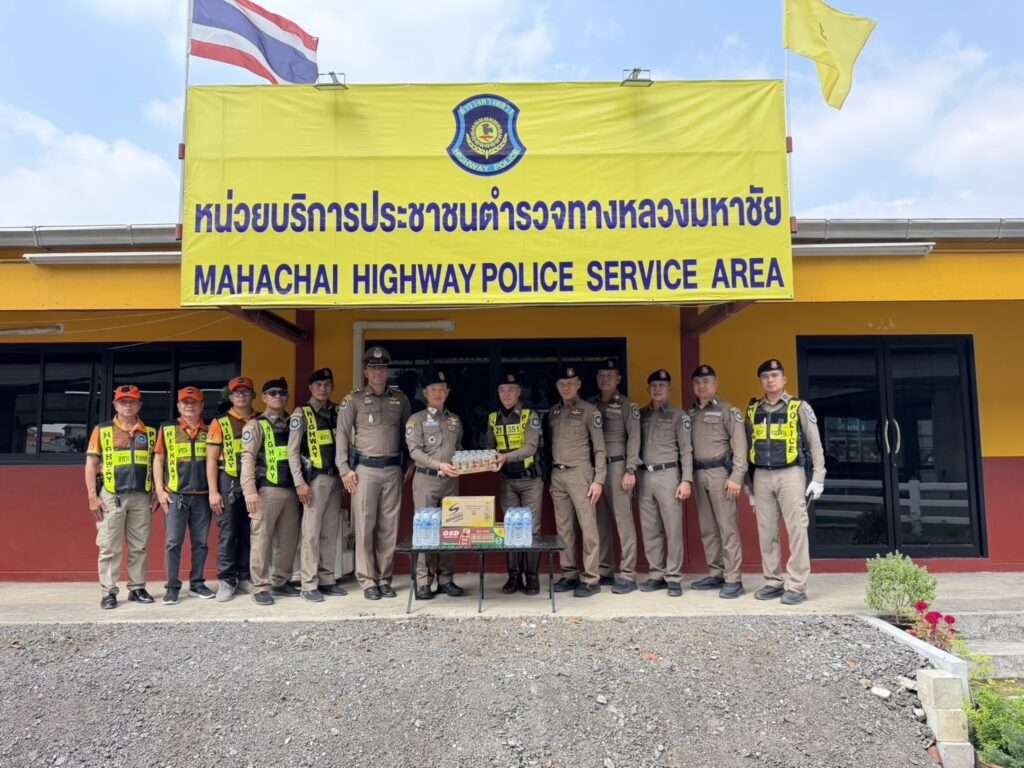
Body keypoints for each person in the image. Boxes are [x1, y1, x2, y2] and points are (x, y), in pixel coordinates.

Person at [745, 359, 826, 605]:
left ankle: (797, 585)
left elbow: (815, 443)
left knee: (797, 529)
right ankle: (773, 581)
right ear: (760, 381)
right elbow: (747, 446)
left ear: (784, 379)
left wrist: (818, 476)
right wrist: (749, 486)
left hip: (790, 473)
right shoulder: (753, 409)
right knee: (766, 531)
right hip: (761, 475)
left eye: (774, 375)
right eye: (765, 376)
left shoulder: (799, 407)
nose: (770, 380)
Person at [335, 347, 412, 601]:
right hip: (365, 470)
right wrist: (344, 469)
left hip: (392, 470)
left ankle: (384, 578)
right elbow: (342, 435)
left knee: (389, 528)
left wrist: (410, 462)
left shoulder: (400, 399)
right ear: (366, 372)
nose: (378, 372)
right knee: (365, 527)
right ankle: (368, 580)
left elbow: (409, 434)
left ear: (387, 371)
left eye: (382, 368)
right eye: (373, 368)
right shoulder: (353, 400)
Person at [84, 385, 157, 609]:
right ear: (115, 405)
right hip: (112, 495)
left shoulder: (150, 432)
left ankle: (137, 588)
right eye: (123, 401)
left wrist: (157, 490)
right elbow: (91, 464)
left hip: (142, 496)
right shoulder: (102, 430)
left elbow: (157, 464)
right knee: (109, 546)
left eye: (132, 401)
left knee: (139, 546)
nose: (128, 405)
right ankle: (108, 592)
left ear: (139, 404)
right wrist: (92, 497)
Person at [688, 364, 749, 599]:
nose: (701, 386)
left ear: (715, 384)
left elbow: (740, 444)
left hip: (721, 475)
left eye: (706, 381)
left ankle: (734, 578)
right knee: (708, 528)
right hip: (698, 474)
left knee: (727, 527)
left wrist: (737, 476)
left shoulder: (728, 411)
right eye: (697, 382)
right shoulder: (690, 414)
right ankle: (716, 573)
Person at [240, 377, 301, 606]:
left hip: (291, 490)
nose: (278, 397)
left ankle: (281, 581)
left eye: (282, 393)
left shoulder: (293, 423)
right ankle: (261, 586)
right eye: (273, 393)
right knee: (261, 541)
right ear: (264, 397)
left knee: (288, 540)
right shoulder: (255, 425)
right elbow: (247, 458)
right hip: (266, 490)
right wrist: (249, 491)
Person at [288, 367, 347, 603]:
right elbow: (292, 451)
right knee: (311, 533)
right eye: (318, 385)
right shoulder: (301, 413)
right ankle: (308, 583)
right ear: (311, 388)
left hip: (335, 478)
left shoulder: (338, 412)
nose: (323, 389)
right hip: (314, 481)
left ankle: (327, 579)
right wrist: (299, 483)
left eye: (327, 385)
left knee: (330, 532)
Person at [405, 368, 465, 600]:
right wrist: (439, 465)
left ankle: (446, 579)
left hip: (450, 481)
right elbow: (414, 452)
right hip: (426, 480)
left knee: (450, 529)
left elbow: (458, 448)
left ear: (447, 392)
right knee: (425, 529)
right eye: (433, 389)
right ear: (425, 393)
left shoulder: (454, 420)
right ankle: (423, 580)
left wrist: (463, 462)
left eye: (442, 389)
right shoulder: (416, 420)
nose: (438, 393)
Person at [484, 370, 544, 595]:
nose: (507, 394)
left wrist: (505, 457)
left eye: (511, 389)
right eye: (502, 390)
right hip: (507, 480)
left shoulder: (529, 416)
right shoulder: (493, 418)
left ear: (519, 392)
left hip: (531, 479)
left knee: (533, 529)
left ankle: (532, 577)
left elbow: (531, 447)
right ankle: (513, 577)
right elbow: (489, 448)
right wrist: (486, 460)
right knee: (510, 528)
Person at [548, 366, 606, 598]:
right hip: (558, 474)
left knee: (588, 526)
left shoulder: (590, 411)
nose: (566, 388)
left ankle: (591, 578)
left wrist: (598, 480)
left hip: (581, 473)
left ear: (579, 384)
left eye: (570, 383)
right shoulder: (553, 413)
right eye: (562, 384)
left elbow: (599, 449)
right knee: (564, 528)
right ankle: (569, 574)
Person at [153, 386, 214, 605]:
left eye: (194, 402)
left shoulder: (211, 429)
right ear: (178, 406)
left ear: (201, 405)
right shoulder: (167, 428)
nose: (189, 406)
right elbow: (158, 460)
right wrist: (160, 490)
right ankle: (172, 587)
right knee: (173, 543)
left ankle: (197, 583)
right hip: (176, 496)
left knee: (201, 543)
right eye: (185, 402)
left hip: (202, 496)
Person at [637, 369, 694, 597]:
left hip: (668, 475)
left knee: (672, 528)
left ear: (669, 389)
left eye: (662, 385)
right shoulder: (641, 415)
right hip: (644, 475)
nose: (657, 389)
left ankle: (673, 577)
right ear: (648, 389)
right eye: (653, 386)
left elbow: (686, 450)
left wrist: (686, 480)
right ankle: (656, 574)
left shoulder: (679, 416)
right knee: (650, 528)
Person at [589, 359, 641, 595]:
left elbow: (634, 437)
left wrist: (631, 469)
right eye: (601, 375)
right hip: (596, 470)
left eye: (610, 375)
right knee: (600, 522)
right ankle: (605, 569)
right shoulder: (591, 405)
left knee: (623, 521)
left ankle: (628, 573)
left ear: (618, 379)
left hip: (619, 467)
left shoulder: (628, 406)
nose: (605, 379)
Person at [206, 376, 258, 602]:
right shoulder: (220, 423)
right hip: (229, 481)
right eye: (237, 392)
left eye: (245, 392)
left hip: (255, 482)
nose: (241, 396)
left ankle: (244, 576)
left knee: (249, 531)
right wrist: (213, 491)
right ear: (230, 396)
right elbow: (211, 459)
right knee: (228, 532)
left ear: (252, 395)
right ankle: (227, 580)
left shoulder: (260, 419)